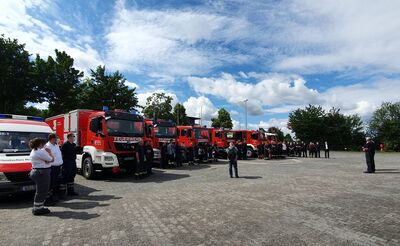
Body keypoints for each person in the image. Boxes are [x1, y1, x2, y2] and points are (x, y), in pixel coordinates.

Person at [29, 138, 54, 215]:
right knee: (42, 191)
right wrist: (50, 153)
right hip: (42, 172)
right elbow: (51, 159)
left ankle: (38, 207)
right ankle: (38, 208)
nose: (43, 145)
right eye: (43, 143)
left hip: (37, 171)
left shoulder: (34, 151)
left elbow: (47, 161)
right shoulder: (40, 152)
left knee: (40, 190)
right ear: (39, 144)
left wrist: (47, 161)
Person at [44, 134, 63, 205]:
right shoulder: (47, 146)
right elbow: (47, 157)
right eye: (56, 138)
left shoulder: (56, 145)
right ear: (51, 139)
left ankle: (54, 197)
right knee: (51, 183)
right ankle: (49, 199)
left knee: (56, 183)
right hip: (52, 167)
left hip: (58, 167)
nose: (57, 139)